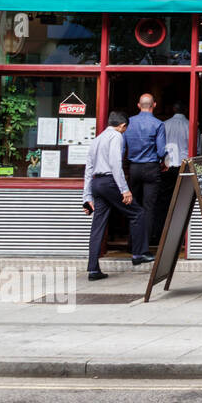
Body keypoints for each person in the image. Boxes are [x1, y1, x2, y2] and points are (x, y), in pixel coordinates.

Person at [82, 111, 143, 281]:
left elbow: (88, 169)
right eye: (125, 129)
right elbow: (116, 164)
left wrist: (86, 197)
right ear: (122, 126)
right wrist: (124, 189)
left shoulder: (97, 139)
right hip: (110, 183)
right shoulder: (116, 136)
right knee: (137, 213)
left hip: (97, 184)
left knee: (97, 226)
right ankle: (138, 254)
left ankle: (93, 269)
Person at [123, 93, 166, 262]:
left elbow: (122, 147)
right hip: (151, 168)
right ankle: (143, 249)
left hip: (133, 168)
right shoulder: (158, 124)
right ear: (154, 105)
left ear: (138, 105)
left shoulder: (129, 122)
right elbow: (162, 151)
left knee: (133, 206)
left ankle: (131, 244)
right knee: (148, 208)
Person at [155, 100, 191, 244]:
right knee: (183, 201)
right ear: (186, 110)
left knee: (164, 202)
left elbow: (159, 147)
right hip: (184, 167)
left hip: (167, 166)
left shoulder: (164, 124)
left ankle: (161, 236)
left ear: (173, 110)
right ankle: (181, 237)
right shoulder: (191, 125)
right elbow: (198, 149)